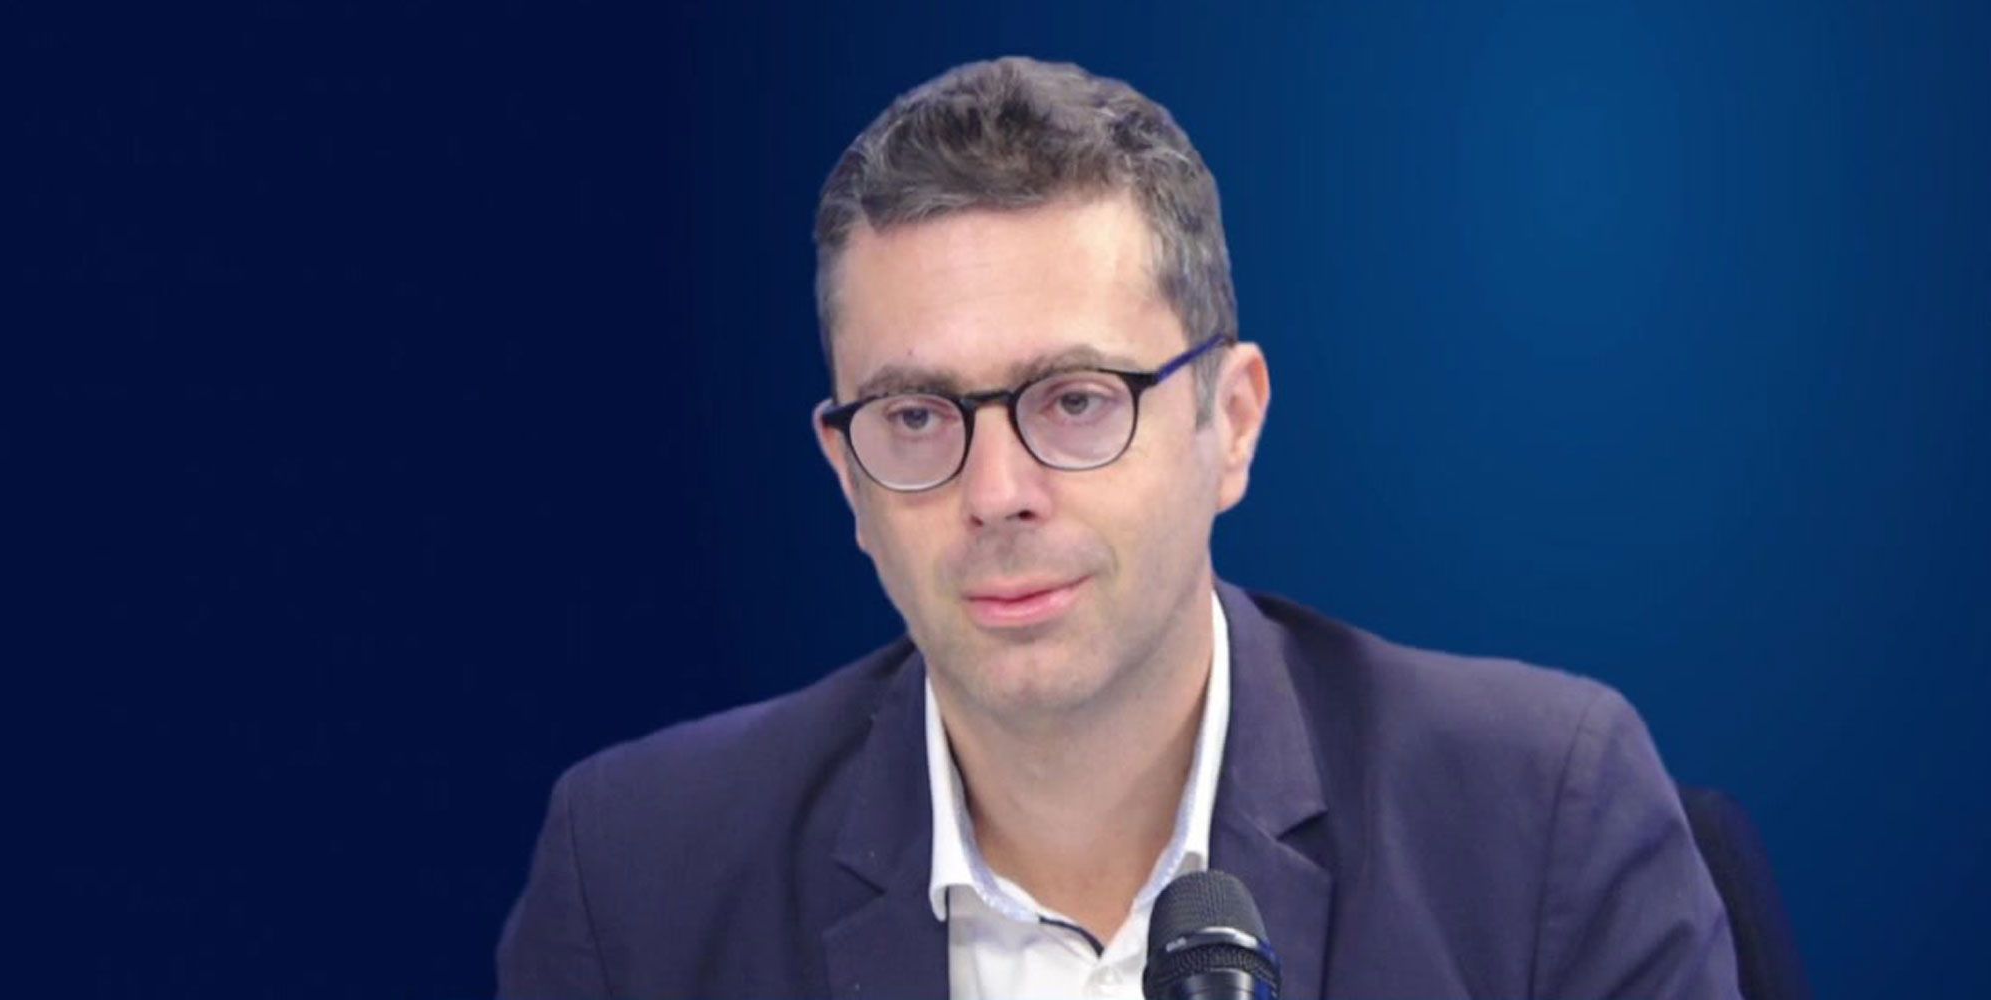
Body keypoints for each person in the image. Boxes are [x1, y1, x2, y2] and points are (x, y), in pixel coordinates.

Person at [496, 56, 1740, 999]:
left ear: (1230, 422)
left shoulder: (1537, 826)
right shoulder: (636, 879)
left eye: (1075, 400)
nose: (995, 491)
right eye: (917, 417)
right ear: (846, 476)